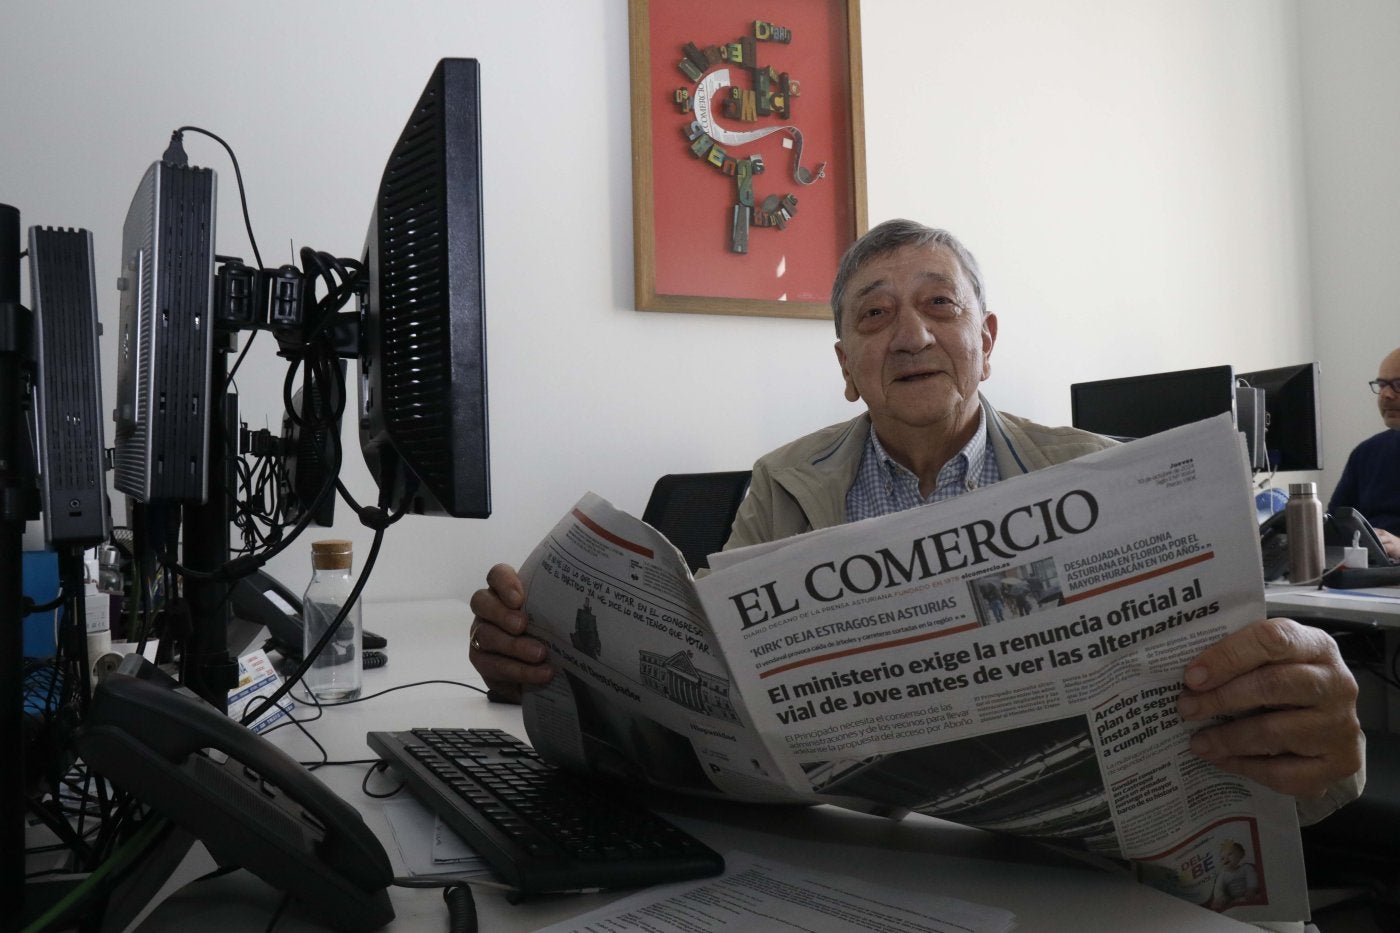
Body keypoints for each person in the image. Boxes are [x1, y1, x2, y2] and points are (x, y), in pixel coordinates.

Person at [469, 219, 1364, 823]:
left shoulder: (1109, 475)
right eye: (874, 315)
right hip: (867, 858)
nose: (911, 335)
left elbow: (1290, 772)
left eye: (940, 304)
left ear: (988, 337)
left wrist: (1327, 747)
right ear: (846, 366)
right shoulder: (784, 484)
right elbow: (705, 696)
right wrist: (546, 669)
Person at [1328, 346, 1400, 560]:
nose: (1386, 394)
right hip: (1372, 577)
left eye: (1398, 385)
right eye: (1382, 384)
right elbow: (1335, 525)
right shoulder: (1367, 453)